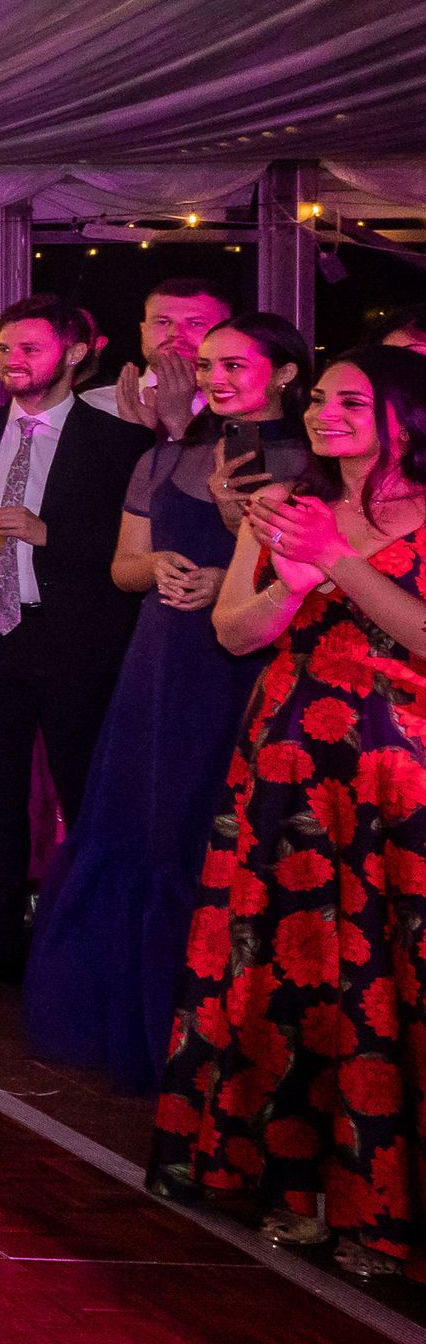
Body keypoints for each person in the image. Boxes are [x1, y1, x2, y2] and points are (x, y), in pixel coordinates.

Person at [149, 346, 426, 1284]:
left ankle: (384, 1210)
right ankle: (299, 1190)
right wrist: (292, 576)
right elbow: (234, 631)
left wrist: (338, 563)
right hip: (287, 774)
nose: (325, 414)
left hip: (398, 785)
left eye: (353, 402)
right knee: (293, 980)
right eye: (320, 400)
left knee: (385, 982)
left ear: (404, 416)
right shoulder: (283, 507)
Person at [27, 313, 311, 1092]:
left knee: (218, 831)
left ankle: (227, 1038)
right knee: (145, 826)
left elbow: (319, 578)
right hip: (160, 659)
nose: (216, 379)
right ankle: (142, 1016)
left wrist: (232, 573)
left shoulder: (313, 461)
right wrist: (156, 567)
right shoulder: (166, 454)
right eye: (208, 366)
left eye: (235, 365)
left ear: (286, 374)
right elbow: (120, 568)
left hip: (245, 665)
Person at [0, 293, 154, 992]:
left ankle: (90, 946)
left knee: (85, 796)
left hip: (73, 639)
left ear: (75, 354)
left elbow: (131, 553)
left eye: (29, 349)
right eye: (3, 349)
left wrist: (48, 534)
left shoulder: (117, 443)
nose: (11, 362)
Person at [83, 278, 233, 437]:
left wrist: (180, 422)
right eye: (162, 322)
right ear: (143, 330)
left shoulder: (242, 408)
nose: (174, 333)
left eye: (195, 323)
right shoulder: (94, 405)